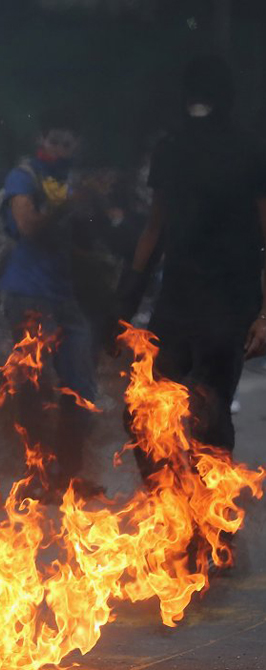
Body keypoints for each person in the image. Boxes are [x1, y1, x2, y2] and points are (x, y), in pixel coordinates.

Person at [117, 55, 266, 464]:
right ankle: (172, 507)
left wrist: (265, 315)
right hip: (179, 302)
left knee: (211, 416)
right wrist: (126, 302)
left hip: (231, 305)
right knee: (143, 409)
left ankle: (209, 521)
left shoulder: (250, 150)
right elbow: (156, 229)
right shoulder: (172, 148)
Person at [0, 110, 100, 496]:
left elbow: (91, 237)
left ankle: (68, 476)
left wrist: (92, 208)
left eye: (68, 144)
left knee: (81, 388)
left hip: (66, 296)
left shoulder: (74, 181)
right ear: (41, 140)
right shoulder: (24, 176)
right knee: (34, 389)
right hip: (28, 294)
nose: (61, 149)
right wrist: (67, 205)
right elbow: (27, 226)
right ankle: (35, 477)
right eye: (55, 141)